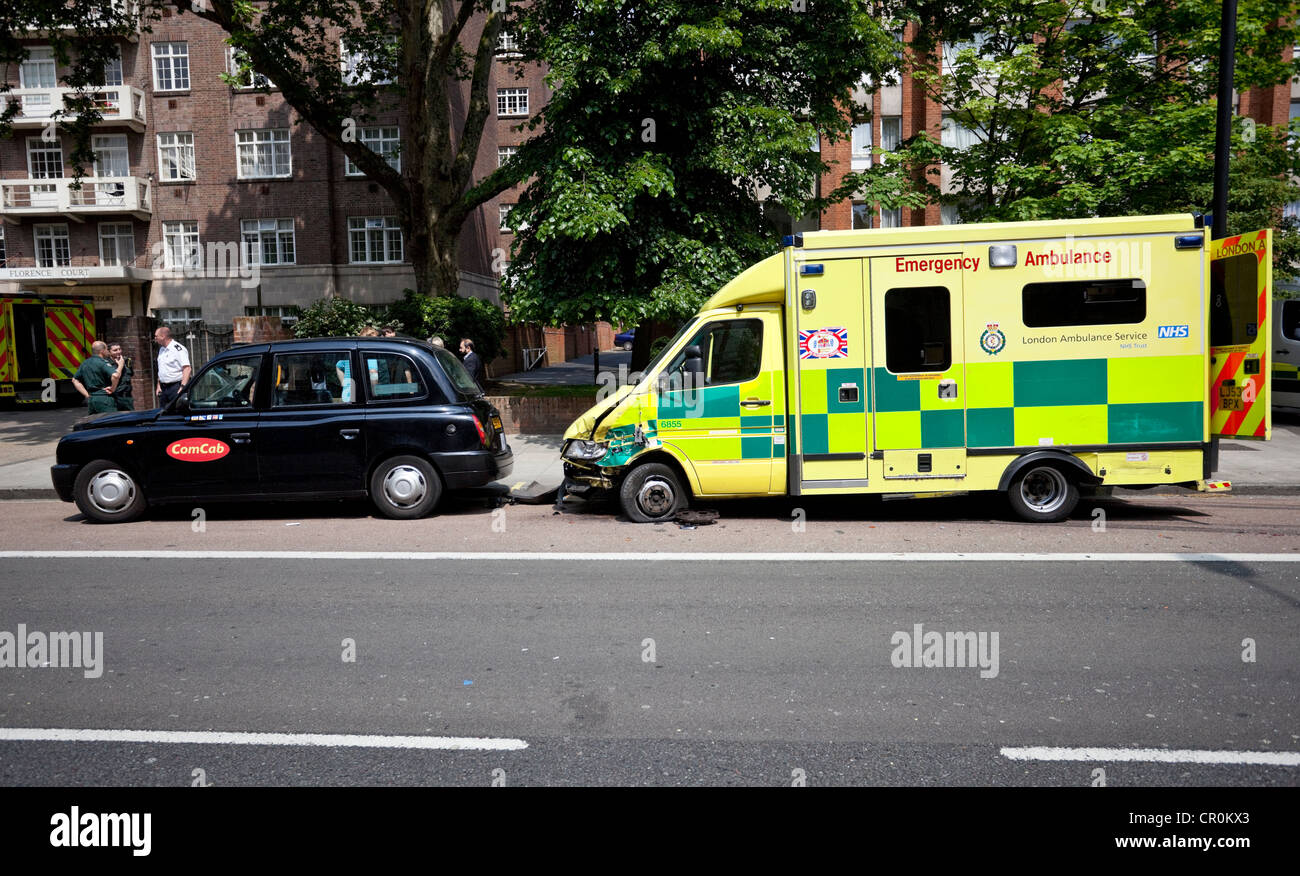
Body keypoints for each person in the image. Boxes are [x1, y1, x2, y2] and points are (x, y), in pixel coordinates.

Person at [72, 341, 125, 415]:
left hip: (92, 399)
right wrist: (120, 365)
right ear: (102, 351)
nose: (107, 351)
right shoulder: (102, 362)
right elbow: (115, 375)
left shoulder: (85, 363)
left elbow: (75, 380)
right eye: (106, 349)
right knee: (110, 423)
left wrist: (87, 395)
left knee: (95, 424)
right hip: (105, 398)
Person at [153, 326, 191, 407]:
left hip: (175, 387)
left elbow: (187, 369)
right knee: (164, 413)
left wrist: (182, 387)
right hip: (164, 388)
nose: (155, 338)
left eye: (156, 336)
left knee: (177, 413)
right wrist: (158, 385)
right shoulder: (162, 349)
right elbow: (162, 369)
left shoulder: (178, 349)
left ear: (163, 336)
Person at [108, 343, 134, 411]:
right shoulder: (106, 363)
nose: (118, 351)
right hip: (115, 397)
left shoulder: (126, 361)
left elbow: (131, 374)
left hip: (127, 397)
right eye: (115, 350)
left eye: (119, 349)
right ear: (109, 352)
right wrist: (120, 366)